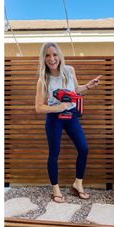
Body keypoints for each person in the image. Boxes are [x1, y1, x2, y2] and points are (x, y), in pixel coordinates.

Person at [35, 42, 101, 202]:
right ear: (43, 59)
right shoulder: (43, 80)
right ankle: (55, 188)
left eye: (54, 54)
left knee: (83, 148)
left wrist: (88, 86)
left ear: (60, 56)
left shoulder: (69, 71)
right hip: (54, 119)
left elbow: (75, 90)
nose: (52, 59)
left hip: (71, 115)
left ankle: (78, 183)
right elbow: (38, 107)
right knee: (54, 154)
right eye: (48, 55)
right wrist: (58, 107)